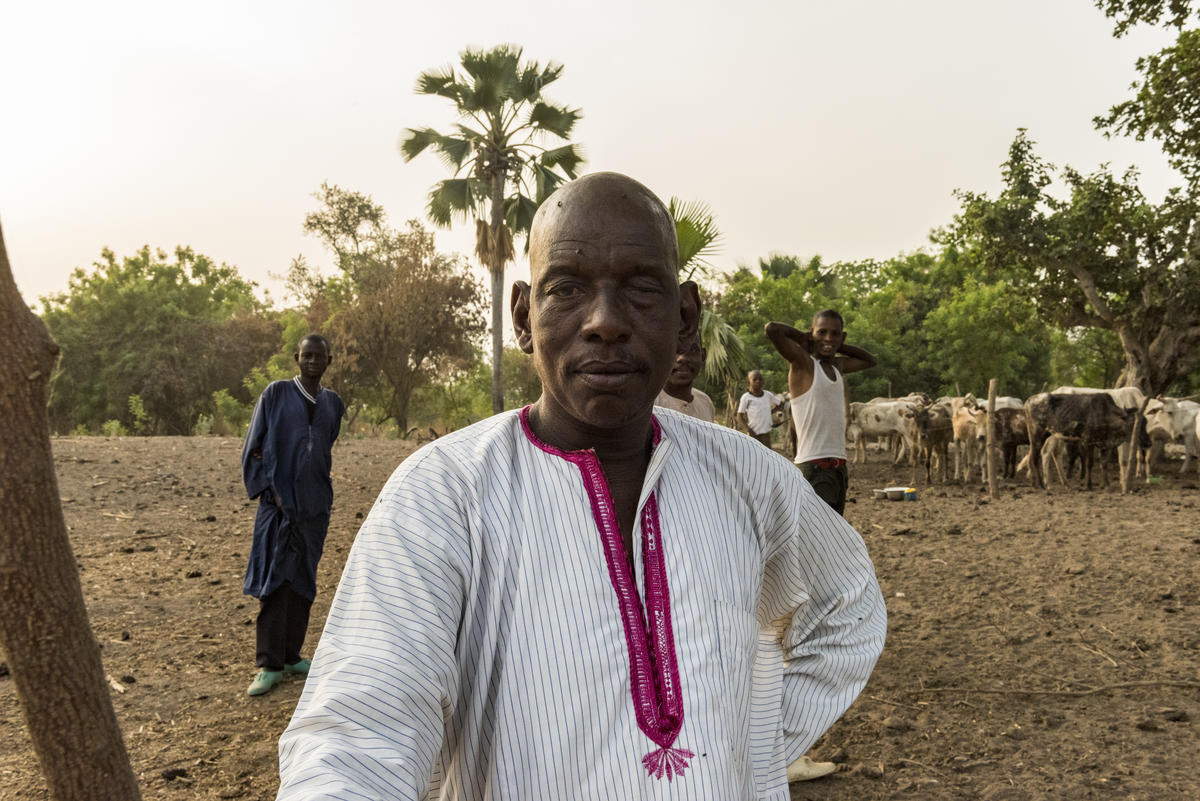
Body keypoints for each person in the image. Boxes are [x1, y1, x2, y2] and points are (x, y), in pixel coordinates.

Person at [276, 173, 885, 800]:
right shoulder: (443, 494)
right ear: (522, 315)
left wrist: (748, 745)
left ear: (684, 318)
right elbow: (353, 736)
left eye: (641, 289)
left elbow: (848, 605)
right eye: (566, 288)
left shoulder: (749, 475)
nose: (604, 323)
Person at [241, 334, 345, 697]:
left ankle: (291, 656)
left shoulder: (333, 403)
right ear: (296, 358)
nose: (313, 361)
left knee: (303, 579)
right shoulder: (276, 394)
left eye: (320, 356)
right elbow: (254, 447)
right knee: (274, 579)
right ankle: (268, 664)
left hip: (315, 507)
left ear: (329, 361)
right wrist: (268, 493)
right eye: (307, 355)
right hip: (278, 507)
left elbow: (324, 444)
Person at [765, 313, 876, 515]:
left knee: (832, 536)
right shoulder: (804, 364)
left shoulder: (838, 366)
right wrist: (805, 339)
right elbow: (772, 329)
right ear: (811, 333)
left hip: (838, 466)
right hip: (814, 466)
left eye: (835, 334)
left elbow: (870, 360)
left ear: (843, 337)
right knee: (816, 539)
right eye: (822, 332)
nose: (828, 337)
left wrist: (836, 345)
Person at [654, 335, 715, 422]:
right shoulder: (649, 405)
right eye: (673, 350)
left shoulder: (705, 402)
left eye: (692, 350)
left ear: (703, 355)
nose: (682, 358)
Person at [737, 369, 785, 448]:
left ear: (763, 382)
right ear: (749, 382)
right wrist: (748, 430)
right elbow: (739, 416)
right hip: (753, 434)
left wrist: (770, 412)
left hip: (766, 433)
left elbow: (780, 403)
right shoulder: (746, 397)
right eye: (754, 379)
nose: (758, 381)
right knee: (755, 457)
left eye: (760, 379)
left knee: (767, 455)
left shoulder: (768, 395)